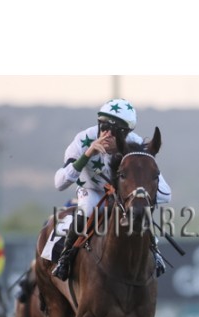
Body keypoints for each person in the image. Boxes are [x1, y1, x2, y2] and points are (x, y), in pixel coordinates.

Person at [52, 98, 172, 281]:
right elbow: (59, 183)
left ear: (126, 133)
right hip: (91, 190)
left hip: (121, 196)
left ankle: (154, 251)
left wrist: (136, 194)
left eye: (115, 131)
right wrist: (87, 154)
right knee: (88, 209)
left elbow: (165, 194)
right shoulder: (83, 140)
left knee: (141, 208)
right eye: (103, 126)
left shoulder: (135, 145)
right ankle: (65, 257)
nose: (106, 134)